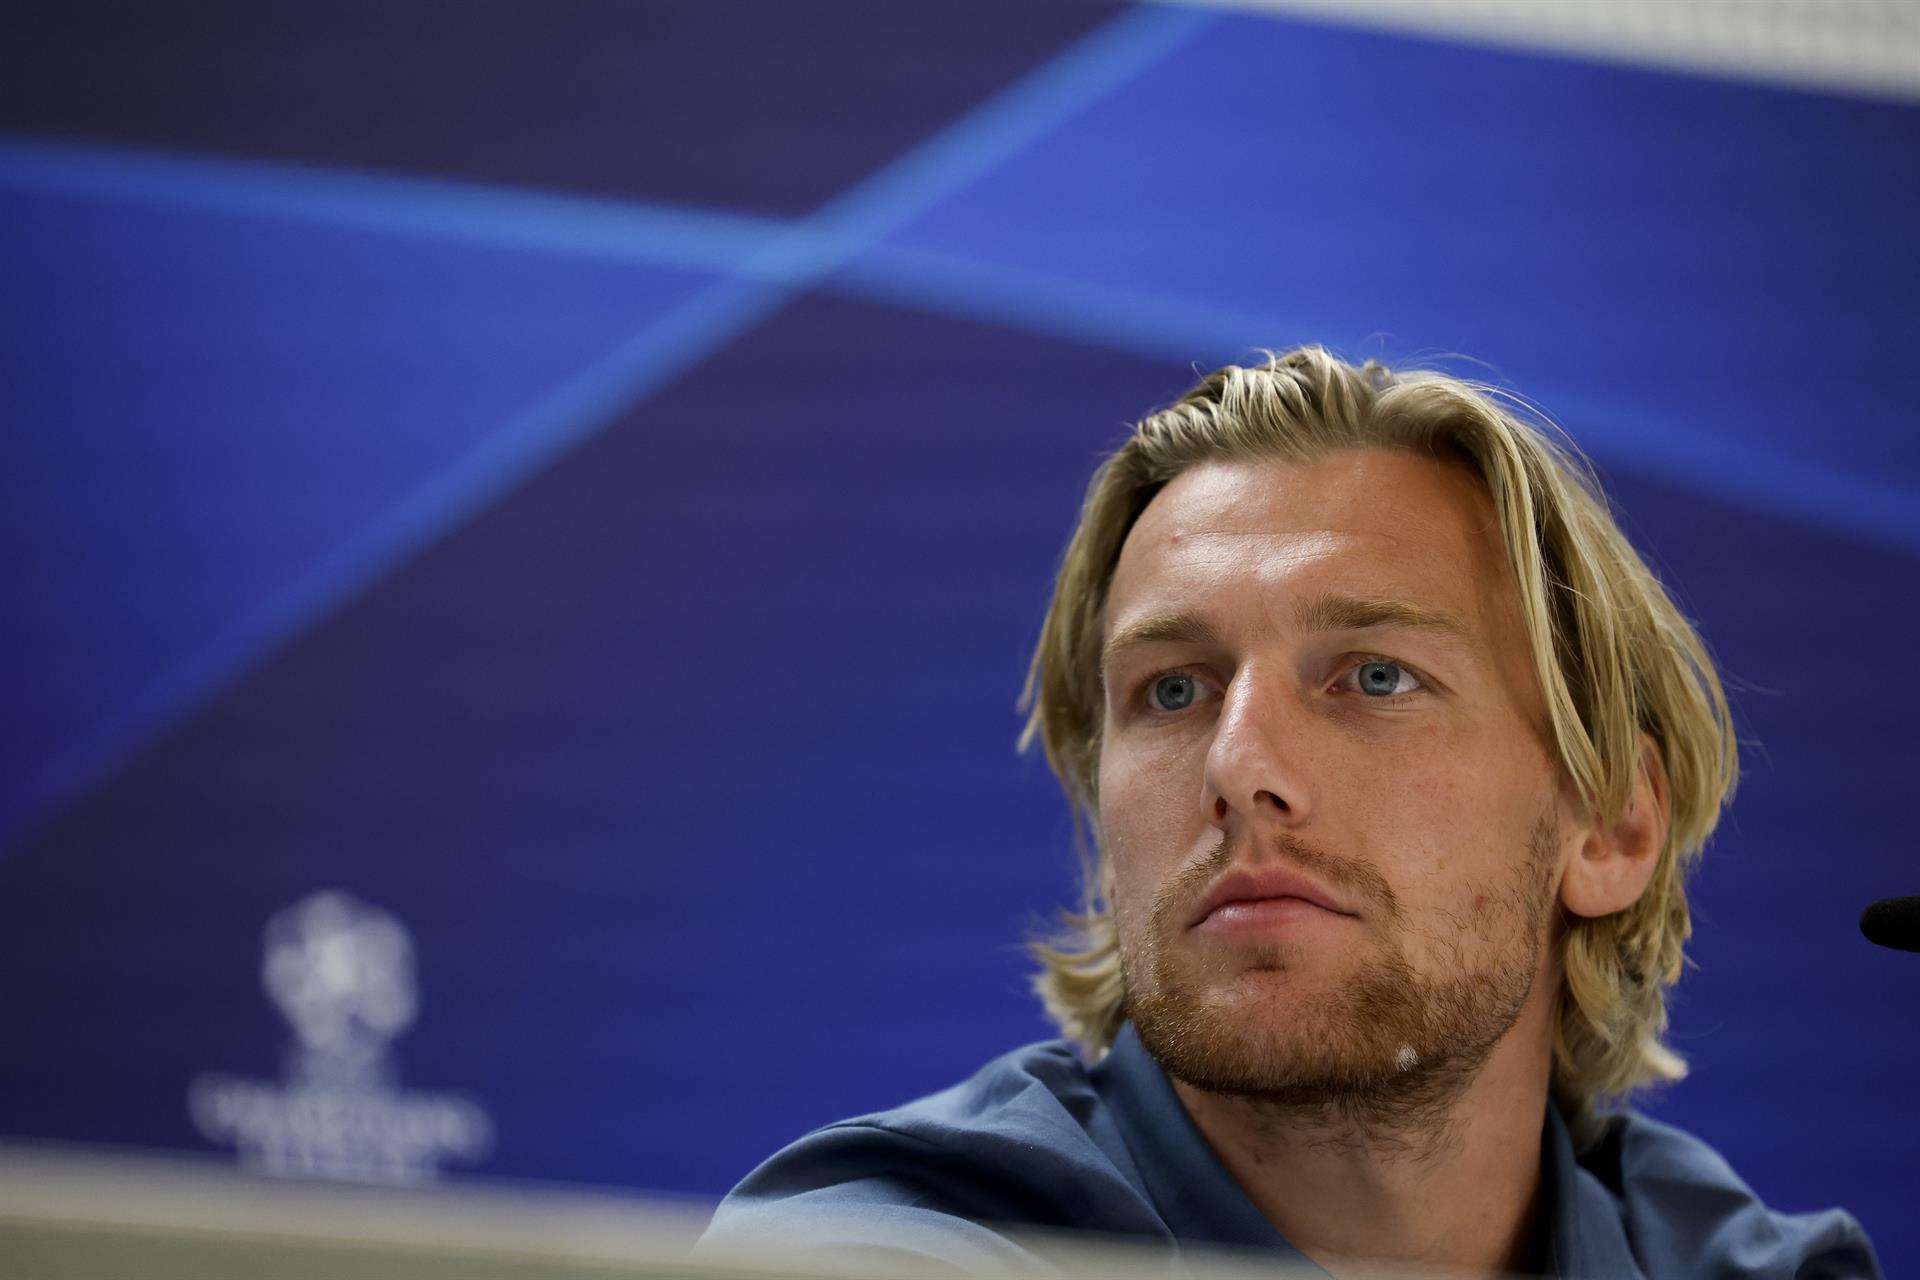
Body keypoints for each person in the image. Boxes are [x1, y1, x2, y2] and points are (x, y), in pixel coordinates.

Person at [696, 348, 1880, 1279]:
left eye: (1374, 676)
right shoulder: (896, 1241)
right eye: (1172, 689)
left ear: (1613, 825)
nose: (1239, 762)